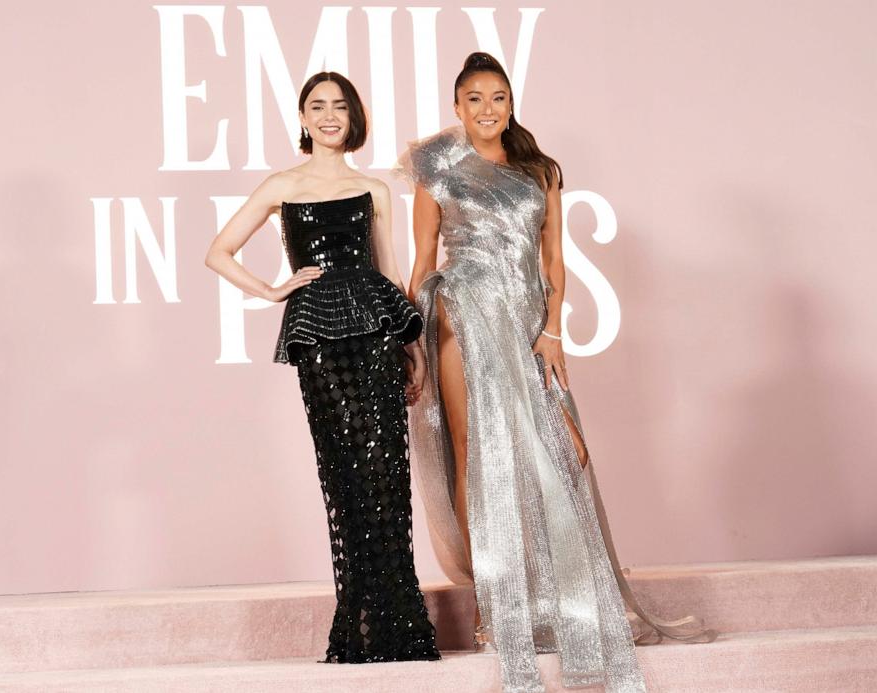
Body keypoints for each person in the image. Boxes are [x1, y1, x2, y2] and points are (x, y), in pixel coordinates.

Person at [395, 52, 713, 693]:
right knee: (473, 452)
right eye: (475, 99)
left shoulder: (540, 171)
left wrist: (553, 331)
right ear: (458, 106)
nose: (487, 110)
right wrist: (413, 341)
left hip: (523, 321)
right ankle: (494, 603)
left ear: (512, 105)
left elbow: (554, 261)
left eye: (499, 99)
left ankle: (551, 593)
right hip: (461, 314)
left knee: (552, 452)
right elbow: (424, 258)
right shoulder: (436, 167)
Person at [205, 71, 440, 664]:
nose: (330, 115)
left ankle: (400, 628)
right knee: (347, 474)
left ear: (353, 116)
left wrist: (411, 349)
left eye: (340, 106)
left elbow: (388, 274)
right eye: (318, 106)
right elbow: (217, 252)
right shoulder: (282, 185)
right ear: (303, 118)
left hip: (376, 334)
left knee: (387, 474)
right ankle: (362, 625)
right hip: (321, 341)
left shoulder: (374, 187)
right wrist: (271, 289)